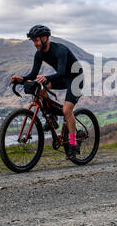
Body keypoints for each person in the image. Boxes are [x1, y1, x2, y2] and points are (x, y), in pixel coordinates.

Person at [10, 25, 84, 159]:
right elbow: (33, 74)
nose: (35, 44)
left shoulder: (60, 50)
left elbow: (61, 72)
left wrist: (47, 78)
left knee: (67, 111)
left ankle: (73, 143)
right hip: (62, 79)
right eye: (33, 41)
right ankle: (52, 115)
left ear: (45, 38)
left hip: (75, 79)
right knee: (39, 88)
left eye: (36, 40)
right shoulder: (39, 54)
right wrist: (22, 79)